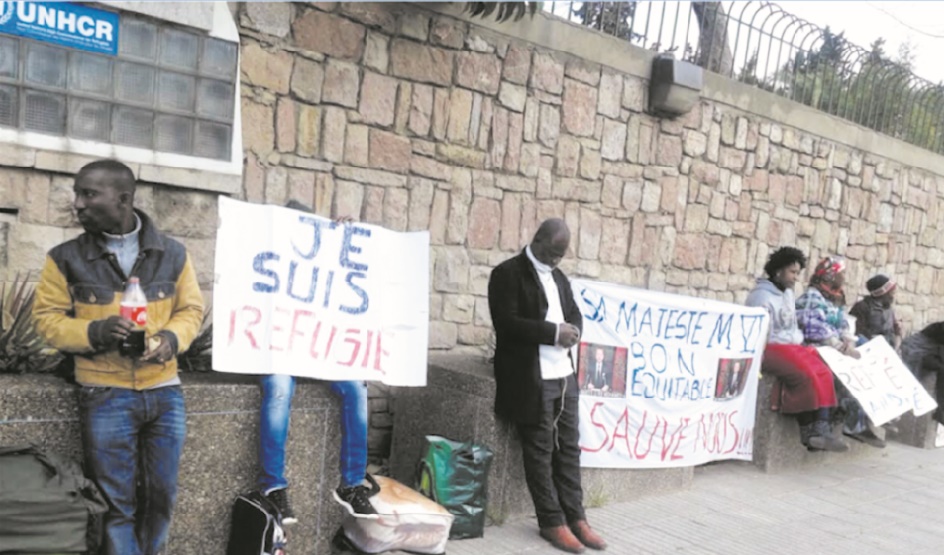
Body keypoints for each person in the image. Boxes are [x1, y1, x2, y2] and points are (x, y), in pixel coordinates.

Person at [32, 159, 204, 555]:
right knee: (115, 505)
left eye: (88, 193)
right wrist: (95, 331)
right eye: (78, 194)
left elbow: (191, 311)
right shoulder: (64, 257)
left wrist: (169, 341)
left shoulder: (173, 254)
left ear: (123, 199)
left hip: (164, 393)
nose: (78, 203)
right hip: (104, 394)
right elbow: (47, 321)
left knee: (162, 498)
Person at [487, 218, 605, 554]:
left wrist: (574, 331)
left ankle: (577, 516)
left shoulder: (559, 278)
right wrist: (553, 333)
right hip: (530, 378)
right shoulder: (507, 273)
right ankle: (551, 522)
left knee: (569, 449)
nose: (555, 261)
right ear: (537, 240)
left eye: (561, 256)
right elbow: (506, 323)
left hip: (563, 377)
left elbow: (574, 314)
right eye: (552, 253)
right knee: (538, 452)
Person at [257, 200, 378, 526]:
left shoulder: (324, 261)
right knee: (279, 389)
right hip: (281, 350)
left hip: (317, 351)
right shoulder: (267, 257)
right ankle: (273, 486)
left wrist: (343, 241)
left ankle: (352, 483)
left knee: (357, 389)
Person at [745, 247, 847, 452]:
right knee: (807, 373)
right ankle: (807, 430)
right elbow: (757, 334)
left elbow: (791, 326)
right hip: (770, 347)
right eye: (792, 272)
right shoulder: (761, 296)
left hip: (791, 345)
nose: (795, 278)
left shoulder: (788, 294)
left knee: (823, 370)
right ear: (778, 271)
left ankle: (822, 427)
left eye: (798, 273)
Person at [795, 256, 884, 448]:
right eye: (840, 273)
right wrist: (838, 345)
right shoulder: (812, 296)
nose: (843, 277)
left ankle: (863, 420)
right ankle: (821, 429)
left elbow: (843, 323)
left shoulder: (834, 299)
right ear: (829, 275)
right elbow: (812, 328)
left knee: (865, 360)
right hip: (815, 347)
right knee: (834, 373)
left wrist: (847, 340)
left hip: (835, 348)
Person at [900, 322, 944, 425]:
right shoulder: (940, 328)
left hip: (930, 352)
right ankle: (941, 411)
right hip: (917, 352)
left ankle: (940, 411)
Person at [849, 274, 903, 349]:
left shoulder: (888, 309)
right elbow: (856, 333)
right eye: (891, 293)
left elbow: (893, 333)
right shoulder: (862, 307)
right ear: (883, 293)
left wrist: (897, 331)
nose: (893, 296)